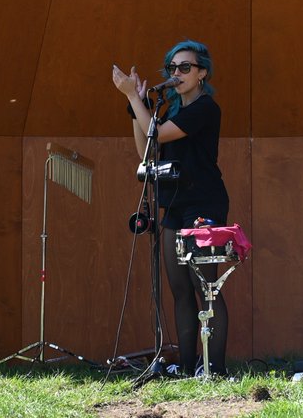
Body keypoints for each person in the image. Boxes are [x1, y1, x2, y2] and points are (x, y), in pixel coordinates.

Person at [112, 39, 229, 378]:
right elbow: (147, 152)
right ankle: (188, 366)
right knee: (179, 288)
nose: (177, 73)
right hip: (175, 202)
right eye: (172, 68)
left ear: (202, 73)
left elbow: (158, 135)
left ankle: (215, 368)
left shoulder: (206, 108)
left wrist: (134, 98)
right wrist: (138, 106)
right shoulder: (170, 111)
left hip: (203, 203)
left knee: (204, 286)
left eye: (185, 67)